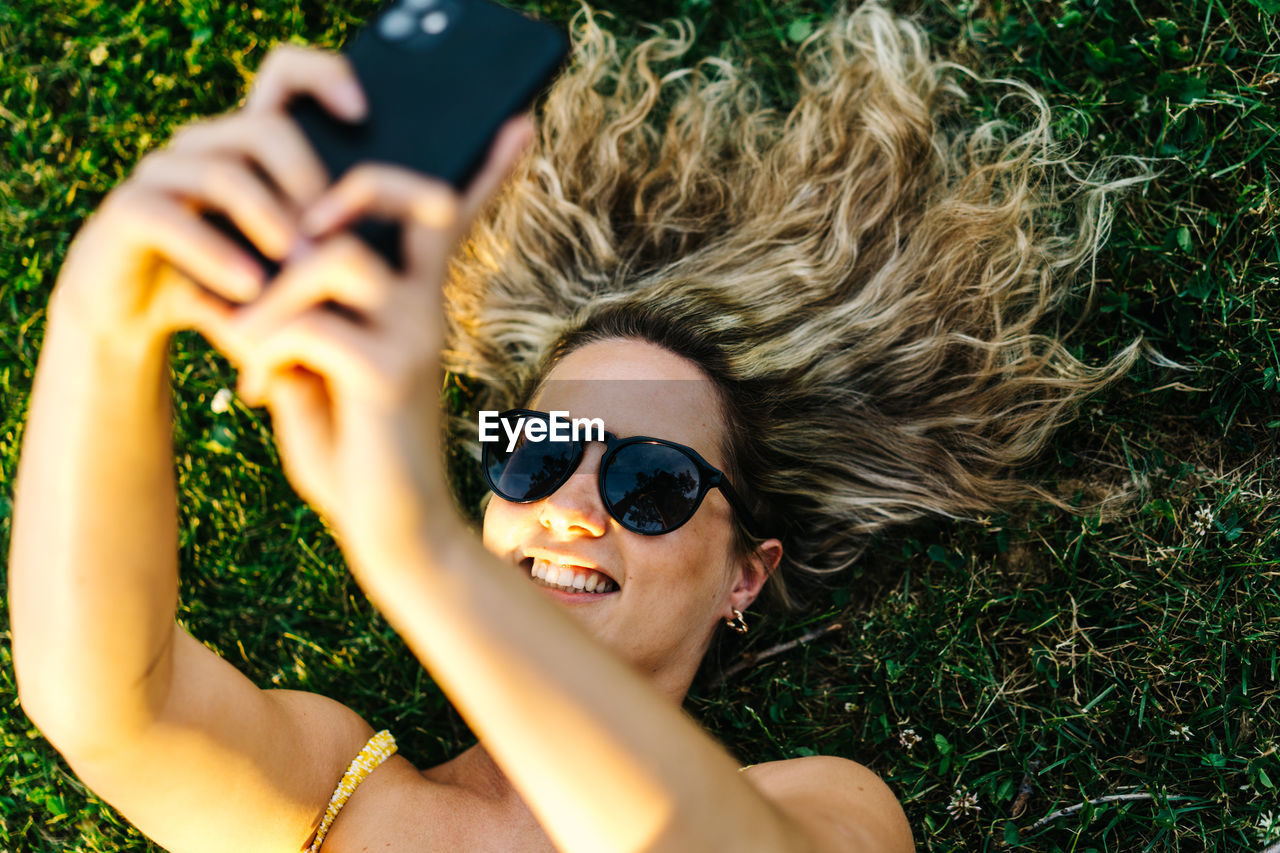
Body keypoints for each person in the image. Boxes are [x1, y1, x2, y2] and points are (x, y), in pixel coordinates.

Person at [9, 1, 1150, 850]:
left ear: (742, 577)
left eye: (649, 480)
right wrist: (107, 313)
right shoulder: (339, 789)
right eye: (539, 452)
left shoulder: (819, 804)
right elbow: (109, 701)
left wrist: (414, 543)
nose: (566, 503)